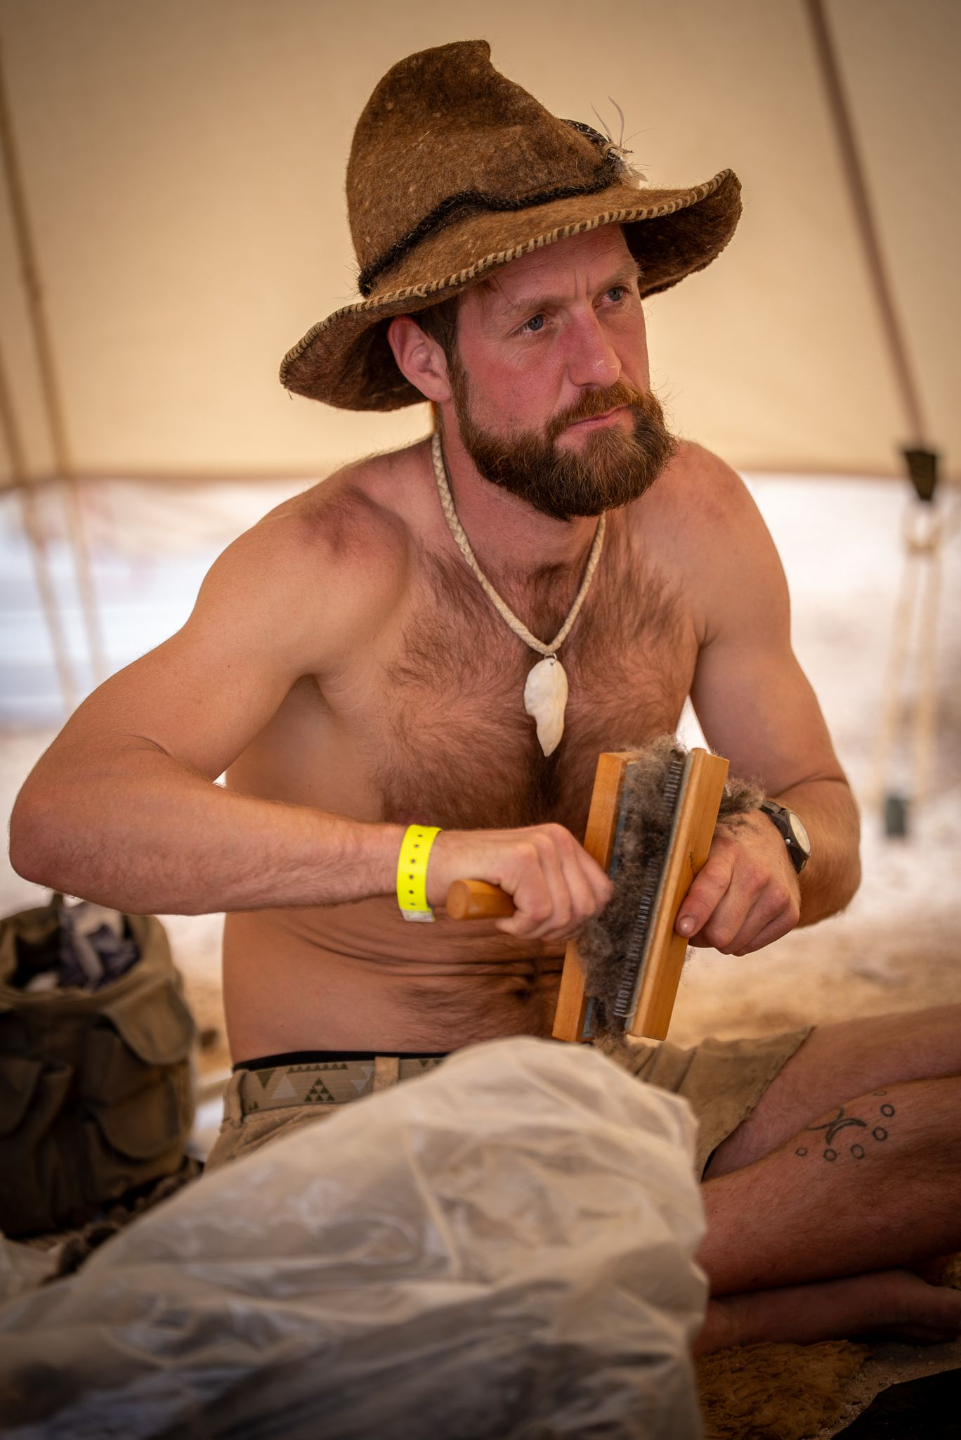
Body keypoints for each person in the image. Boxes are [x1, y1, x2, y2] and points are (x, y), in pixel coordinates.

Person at [10, 41, 960, 1351]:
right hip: (357, 1120)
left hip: (608, 1088)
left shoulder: (697, 519)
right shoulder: (328, 560)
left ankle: (559, 1302)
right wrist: (420, 860)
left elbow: (823, 810)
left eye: (615, 298)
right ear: (424, 358)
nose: (601, 361)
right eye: (535, 323)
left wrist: (783, 852)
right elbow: (61, 818)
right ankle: (709, 1292)